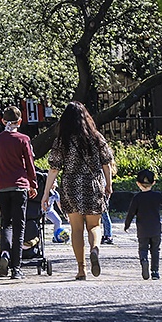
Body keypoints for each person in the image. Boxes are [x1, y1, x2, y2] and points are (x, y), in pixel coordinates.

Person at [40, 102, 114, 280]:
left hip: (71, 185)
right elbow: (107, 162)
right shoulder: (96, 137)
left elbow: (54, 168)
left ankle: (82, 270)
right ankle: (95, 249)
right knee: (94, 226)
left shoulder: (62, 140)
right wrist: (108, 185)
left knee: (76, 229)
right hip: (92, 184)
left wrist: (45, 193)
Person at [0, 106, 38, 279]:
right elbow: (29, 163)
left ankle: (5, 253)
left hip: (1, 186)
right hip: (19, 186)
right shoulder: (23, 139)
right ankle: (16, 268)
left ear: (3, 121)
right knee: (19, 226)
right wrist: (33, 184)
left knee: (6, 223)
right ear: (20, 121)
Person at [124, 169, 162, 280]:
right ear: (153, 183)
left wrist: (127, 225)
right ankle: (155, 272)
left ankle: (144, 260)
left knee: (143, 248)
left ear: (138, 183)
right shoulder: (157, 196)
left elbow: (131, 213)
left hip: (142, 230)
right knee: (155, 250)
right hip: (156, 228)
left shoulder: (137, 198)